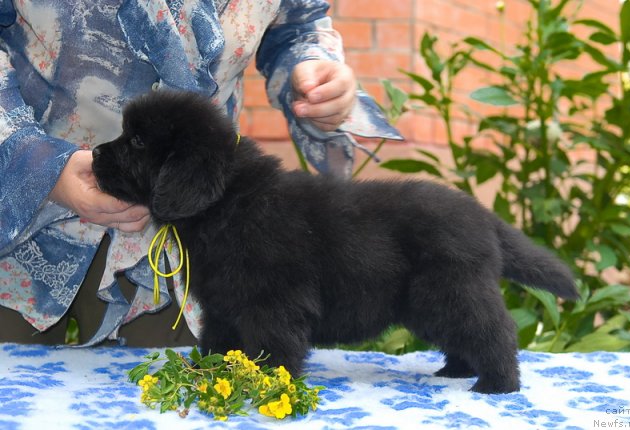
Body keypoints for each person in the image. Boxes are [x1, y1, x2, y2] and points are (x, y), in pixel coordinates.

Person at [0, 1, 401, 347]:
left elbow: (296, 25)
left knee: (183, 400)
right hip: (20, 230)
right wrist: (36, 162)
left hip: (188, 239)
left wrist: (313, 67)